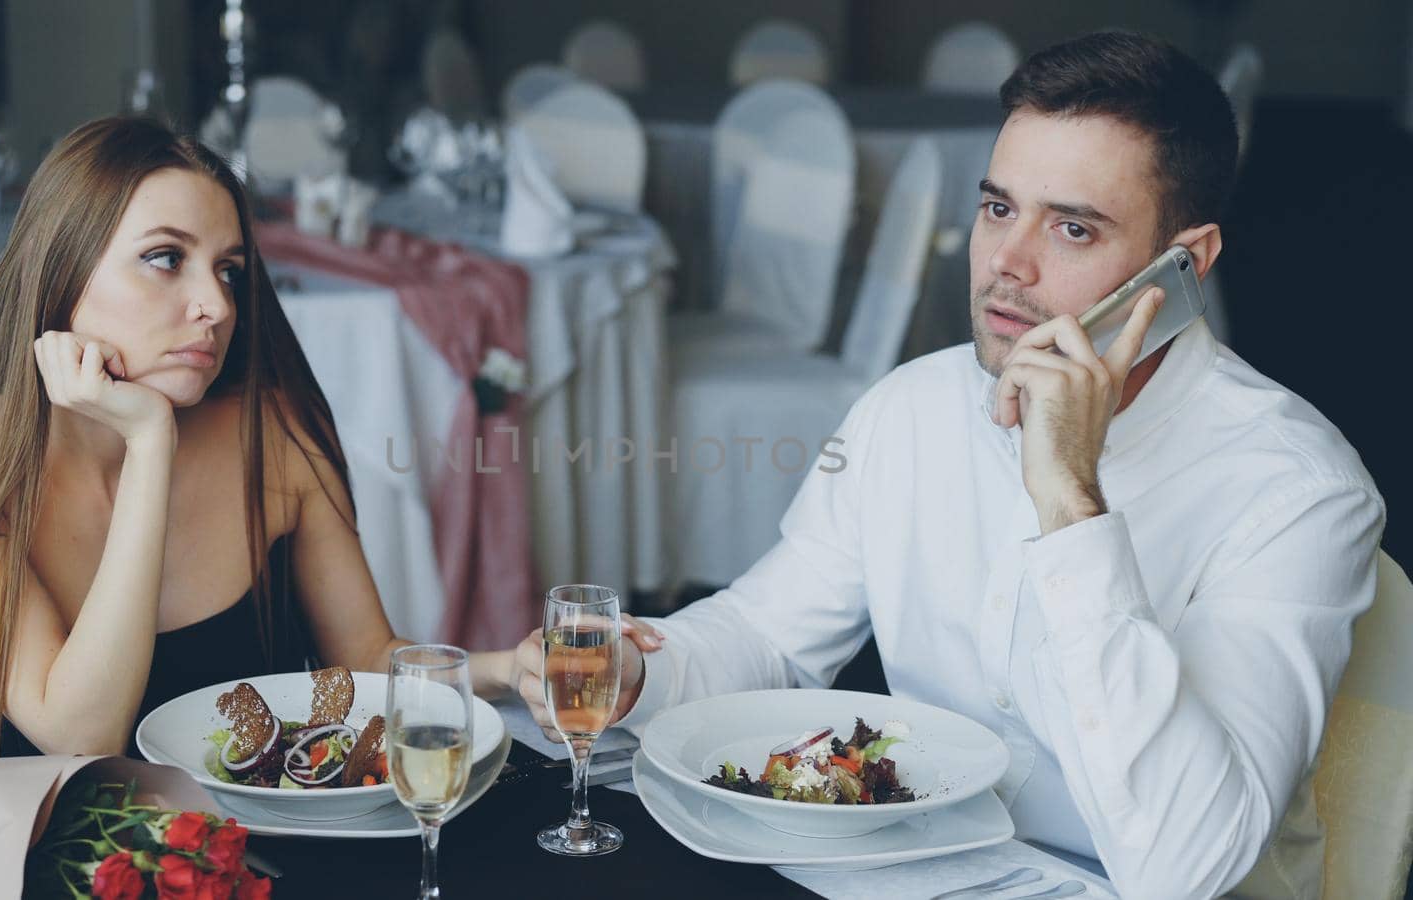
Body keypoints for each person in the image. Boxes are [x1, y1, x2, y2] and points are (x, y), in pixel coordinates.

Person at [510, 32, 1384, 897]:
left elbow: (1188, 865)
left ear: (1184, 267)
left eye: (1073, 228)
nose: (1006, 262)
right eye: (998, 208)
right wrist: (640, 676)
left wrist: (1071, 503)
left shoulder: (1297, 491)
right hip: (925, 873)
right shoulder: (912, 406)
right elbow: (771, 637)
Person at [0, 116, 522, 758]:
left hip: (280, 847)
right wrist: (151, 443)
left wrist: (510, 670)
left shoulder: (272, 431)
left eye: (228, 270)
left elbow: (368, 664)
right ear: (61, 267)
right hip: (77, 860)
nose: (217, 305)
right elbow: (82, 737)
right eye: (165, 258)